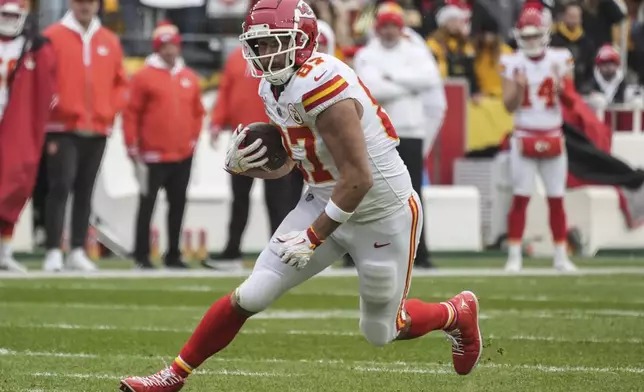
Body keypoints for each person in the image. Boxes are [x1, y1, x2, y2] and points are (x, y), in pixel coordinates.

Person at [118, 0, 482, 390]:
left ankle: (455, 312)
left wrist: (313, 237)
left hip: (382, 209)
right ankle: (174, 376)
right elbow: (300, 159)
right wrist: (251, 163)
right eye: (258, 44)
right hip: (324, 198)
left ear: (302, 41)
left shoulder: (324, 83)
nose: (264, 53)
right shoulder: (272, 85)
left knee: (381, 330)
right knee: (252, 294)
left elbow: (359, 179)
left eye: (274, 43)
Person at [354, 4, 444, 269]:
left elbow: (429, 78)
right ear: (379, 28)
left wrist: (390, 78)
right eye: (386, 26)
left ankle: (419, 252)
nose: (390, 31)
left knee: (413, 195)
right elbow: (369, 87)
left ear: (400, 27)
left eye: (394, 25)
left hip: (409, 131)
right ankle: (363, 251)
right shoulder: (367, 54)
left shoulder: (415, 51)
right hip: (377, 135)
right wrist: (406, 86)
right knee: (368, 193)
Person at [42, 0, 128, 272]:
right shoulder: (53, 37)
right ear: (71, 3)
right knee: (59, 188)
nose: (85, 7)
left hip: (97, 128)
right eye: (80, 1)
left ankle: (77, 248)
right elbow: (43, 78)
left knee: (84, 191)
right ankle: (53, 250)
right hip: (62, 127)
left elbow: (120, 83)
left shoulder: (109, 40)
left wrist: (109, 109)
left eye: (90, 2)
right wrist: (55, 104)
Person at [204, 46, 301, 271]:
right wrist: (218, 121)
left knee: (277, 201)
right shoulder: (236, 57)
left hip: (276, 138)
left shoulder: (282, 53)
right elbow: (226, 90)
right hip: (243, 139)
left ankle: (279, 252)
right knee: (239, 200)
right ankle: (232, 251)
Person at [500, 5, 578, 273]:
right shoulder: (512, 62)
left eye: (535, 36)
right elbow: (508, 106)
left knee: (556, 198)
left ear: (544, 34)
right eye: (527, 36)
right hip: (524, 134)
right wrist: (520, 88)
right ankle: (514, 255)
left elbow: (572, 102)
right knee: (520, 197)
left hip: (553, 132)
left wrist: (562, 88)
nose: (531, 41)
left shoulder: (560, 59)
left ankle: (560, 254)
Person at [123, 22, 205, 270]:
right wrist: (131, 145)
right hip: (152, 154)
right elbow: (131, 113)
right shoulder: (143, 76)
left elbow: (197, 112)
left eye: (172, 46)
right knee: (147, 204)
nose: (169, 51)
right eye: (165, 46)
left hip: (182, 153)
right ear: (157, 48)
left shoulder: (188, 76)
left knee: (178, 205)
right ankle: (141, 254)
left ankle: (173, 254)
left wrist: (193, 139)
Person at [0, 0, 57, 273]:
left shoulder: (36, 46)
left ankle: (5, 249)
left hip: (14, 120)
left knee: (14, 183)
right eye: (5, 14)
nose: (10, 20)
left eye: (14, 15)